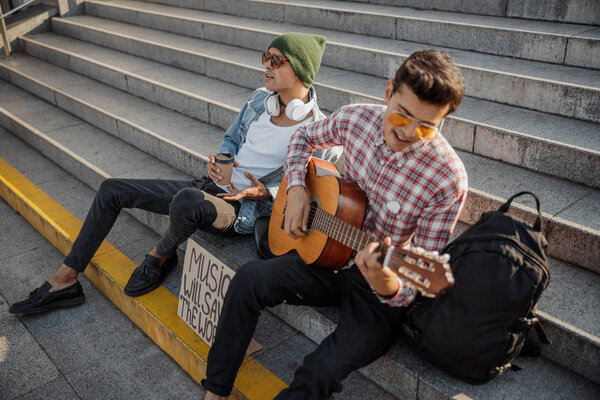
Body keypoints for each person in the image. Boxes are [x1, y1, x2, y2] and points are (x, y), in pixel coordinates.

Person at [9, 32, 341, 314]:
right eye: (265, 57)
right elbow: (231, 138)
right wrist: (222, 162)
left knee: (185, 202)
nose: (265, 65)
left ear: (299, 71)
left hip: (240, 209)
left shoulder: (317, 131)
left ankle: (160, 256)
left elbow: (314, 192)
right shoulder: (259, 100)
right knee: (112, 189)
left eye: (276, 61)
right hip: (210, 186)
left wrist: (265, 193)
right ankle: (64, 280)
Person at [202, 50, 469, 399]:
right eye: (402, 117)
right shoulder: (356, 119)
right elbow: (303, 139)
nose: (409, 133)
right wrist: (296, 187)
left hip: (377, 291)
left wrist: (385, 282)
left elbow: (410, 289)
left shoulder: (447, 179)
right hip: (327, 254)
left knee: (319, 371)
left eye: (426, 128)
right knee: (248, 279)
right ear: (388, 92)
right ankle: (215, 392)